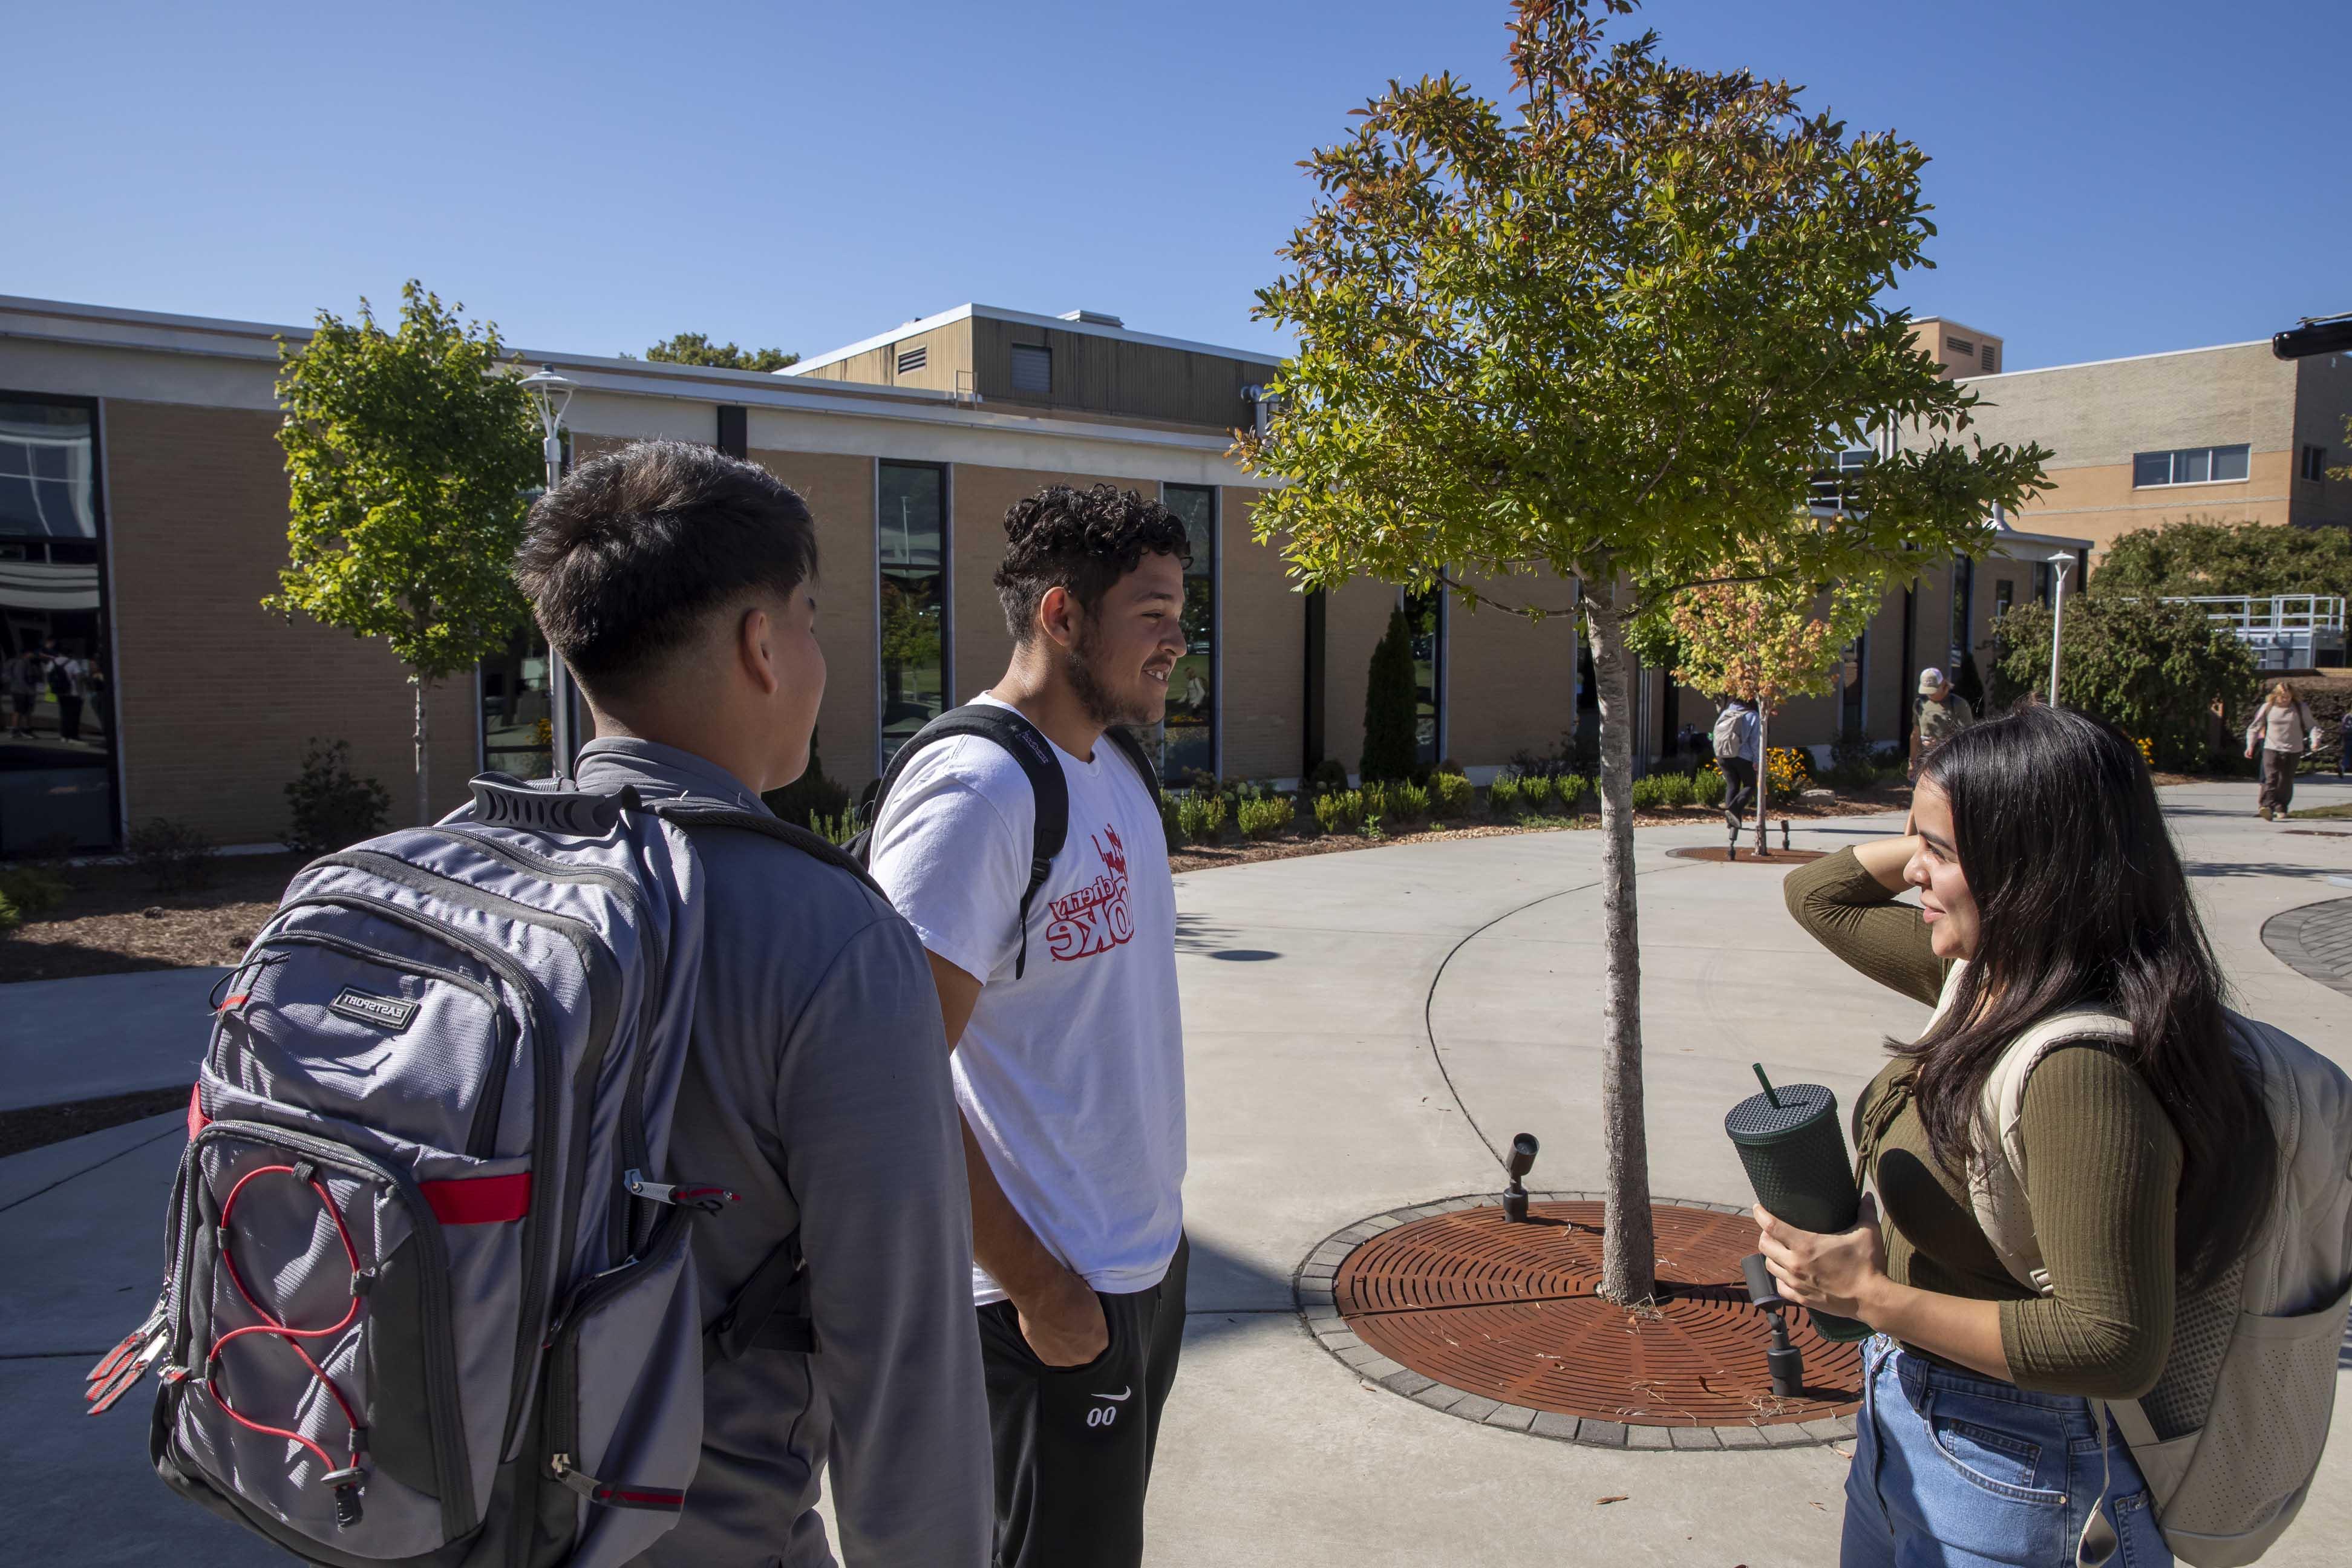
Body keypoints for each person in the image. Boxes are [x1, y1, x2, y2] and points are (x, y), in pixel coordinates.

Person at [511, 440, 991, 1567]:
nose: (819, 656)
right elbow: (903, 1372)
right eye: (813, 620)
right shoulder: (827, 933)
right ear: (759, 644)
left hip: (432, 1519)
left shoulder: (456, 878)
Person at [1768, 704, 2276, 1568]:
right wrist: (1949, 815)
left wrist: (1871, 1299)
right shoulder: (1988, 974)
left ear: (2033, 869)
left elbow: (2113, 1345)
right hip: (1913, 1422)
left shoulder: (2082, 1070)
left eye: (1942, 854)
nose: (1914, 874)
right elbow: (1817, 893)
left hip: (2022, 1475)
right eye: (1914, 846)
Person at [867, 483, 1190, 1568]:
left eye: (1180, 615)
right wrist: (1040, 1288)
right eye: (1151, 614)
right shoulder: (978, 793)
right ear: (1061, 616)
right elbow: (886, 1085)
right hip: (1029, 1300)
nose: (1176, 642)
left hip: (1135, 1264)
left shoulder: (1116, 770)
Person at [2244, 679, 2318, 821]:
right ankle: (2266, 806)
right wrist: (2250, 745)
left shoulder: (2300, 707)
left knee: (2286, 779)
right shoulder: (2268, 707)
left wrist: (2315, 741)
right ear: (2275, 695)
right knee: (2271, 777)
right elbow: (2255, 727)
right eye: (2283, 697)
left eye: (2289, 697)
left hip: (2293, 749)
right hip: (2271, 747)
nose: (2286, 700)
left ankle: (2281, 807)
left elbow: (2312, 726)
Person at [1906, 665, 1973, 780]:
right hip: (1924, 764)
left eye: (1932, 690)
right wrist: (1912, 763)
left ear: (1943, 685)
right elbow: (1915, 735)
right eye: (1926, 691)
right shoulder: (1919, 704)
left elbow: (1968, 738)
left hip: (1949, 765)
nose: (1929, 694)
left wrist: (1939, 744)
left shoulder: (1959, 704)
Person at [1712, 696, 1759, 832]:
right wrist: (1757, 760)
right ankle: (1733, 810)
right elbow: (1755, 741)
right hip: (1742, 756)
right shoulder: (1753, 715)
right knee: (1750, 785)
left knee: (1732, 786)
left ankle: (1732, 823)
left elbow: (1716, 733)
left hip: (1723, 755)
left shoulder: (1726, 712)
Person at [4, 645, 42, 738]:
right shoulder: (21, 663)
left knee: (27, 712)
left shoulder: (28, 662)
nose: (34, 655)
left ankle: (27, 730)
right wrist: (29, 691)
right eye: (33, 653)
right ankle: (16, 731)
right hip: (20, 691)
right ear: (27, 653)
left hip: (24, 691)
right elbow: (20, 679)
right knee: (18, 711)